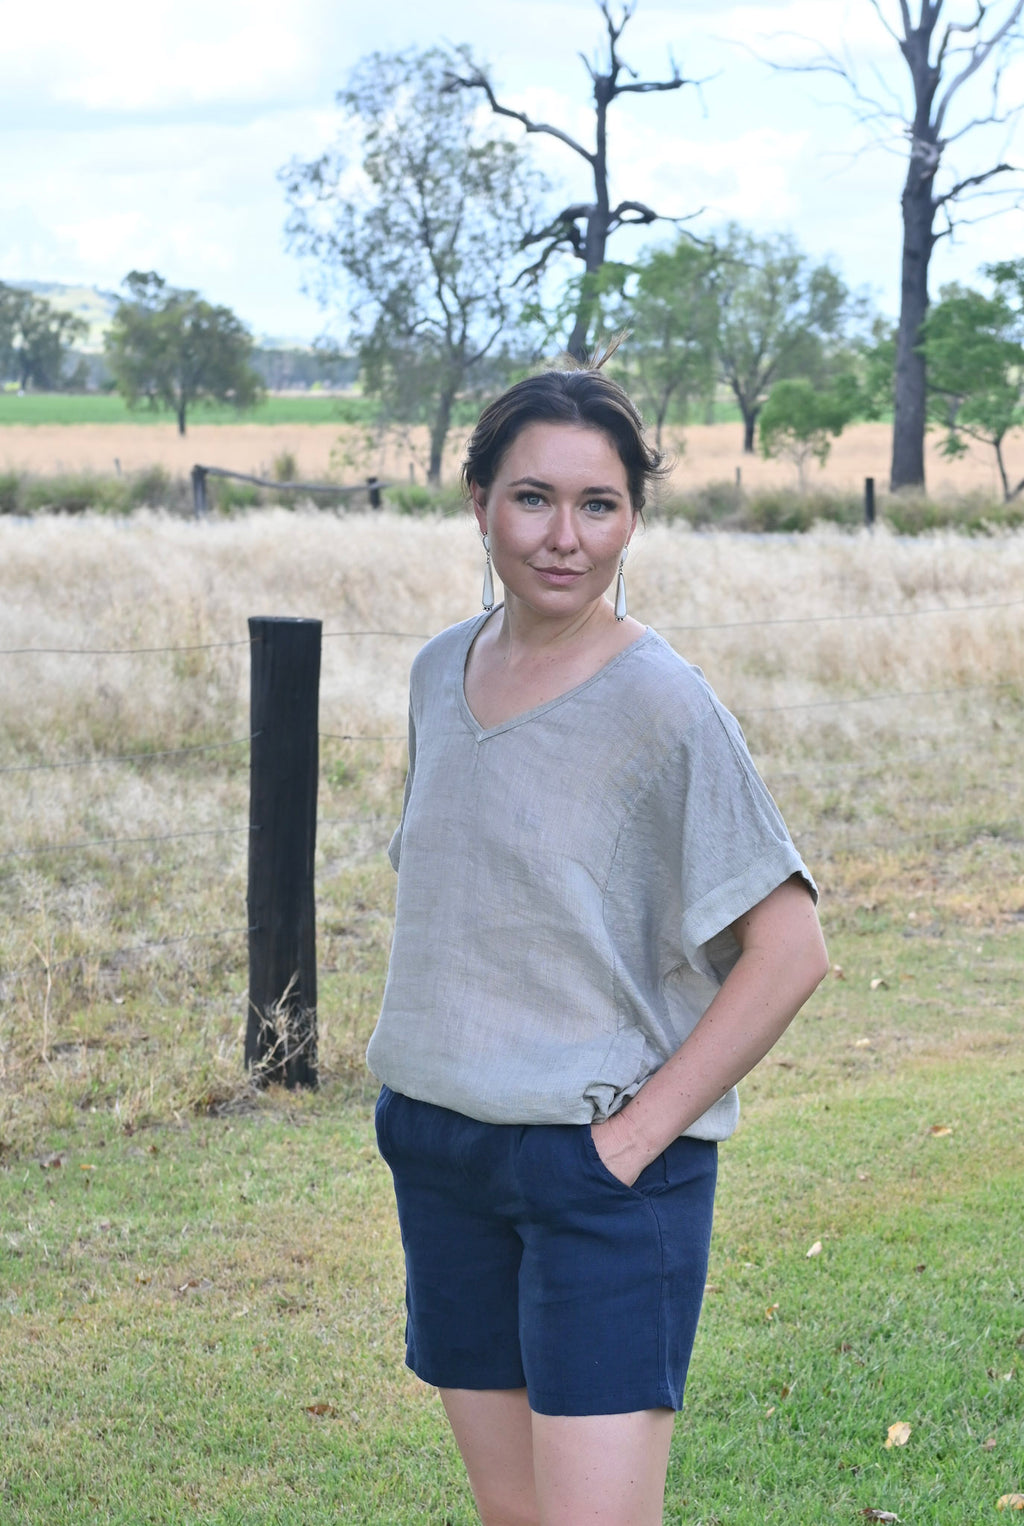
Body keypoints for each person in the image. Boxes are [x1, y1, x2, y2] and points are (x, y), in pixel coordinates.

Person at [366, 353, 829, 1526]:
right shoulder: (437, 672)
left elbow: (788, 949)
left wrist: (626, 1144)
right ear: (478, 502)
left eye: (598, 503)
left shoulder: (662, 704)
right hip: (442, 1152)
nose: (562, 535)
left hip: (598, 1175)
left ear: (633, 517)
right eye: (532, 497)